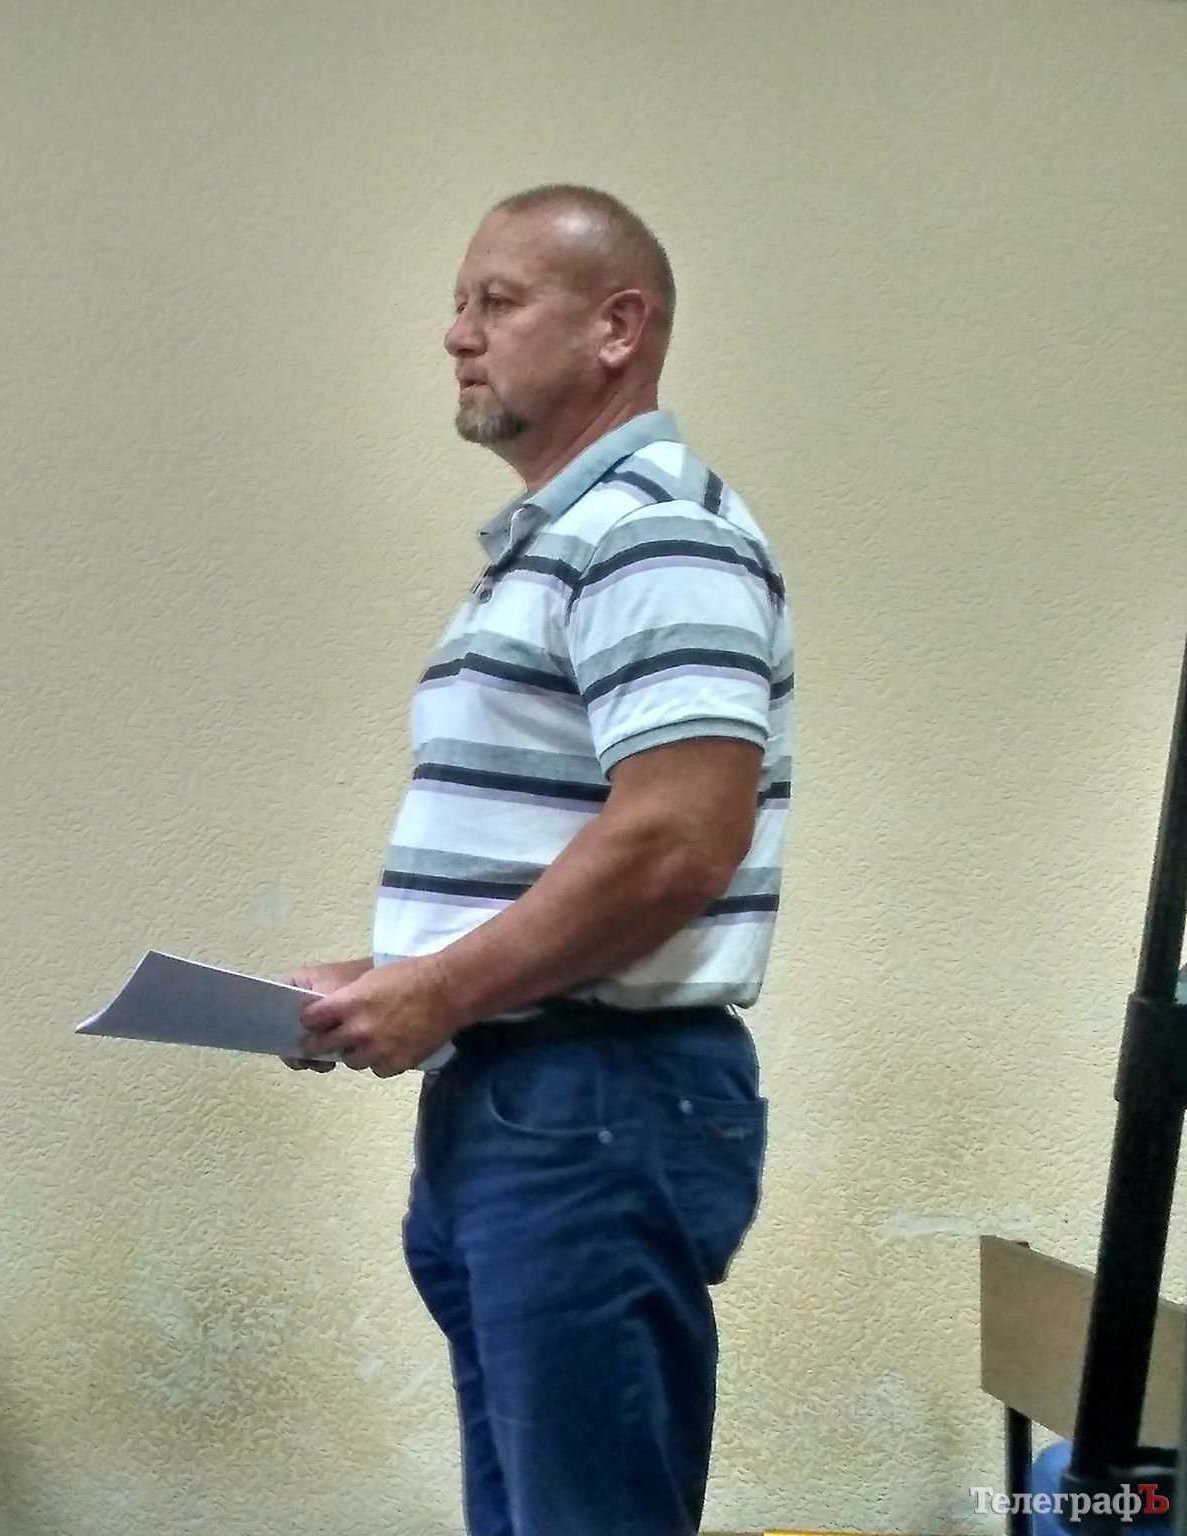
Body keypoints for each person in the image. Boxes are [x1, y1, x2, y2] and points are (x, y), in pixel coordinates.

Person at [288, 185, 794, 1534]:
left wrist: (440, 988)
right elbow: (568, 843)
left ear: (618, 328)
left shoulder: (652, 531)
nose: (457, 335)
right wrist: (394, 972)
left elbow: (677, 839)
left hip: (596, 1103)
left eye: (498, 303)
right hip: (525, 1098)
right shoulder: (559, 544)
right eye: (459, 305)